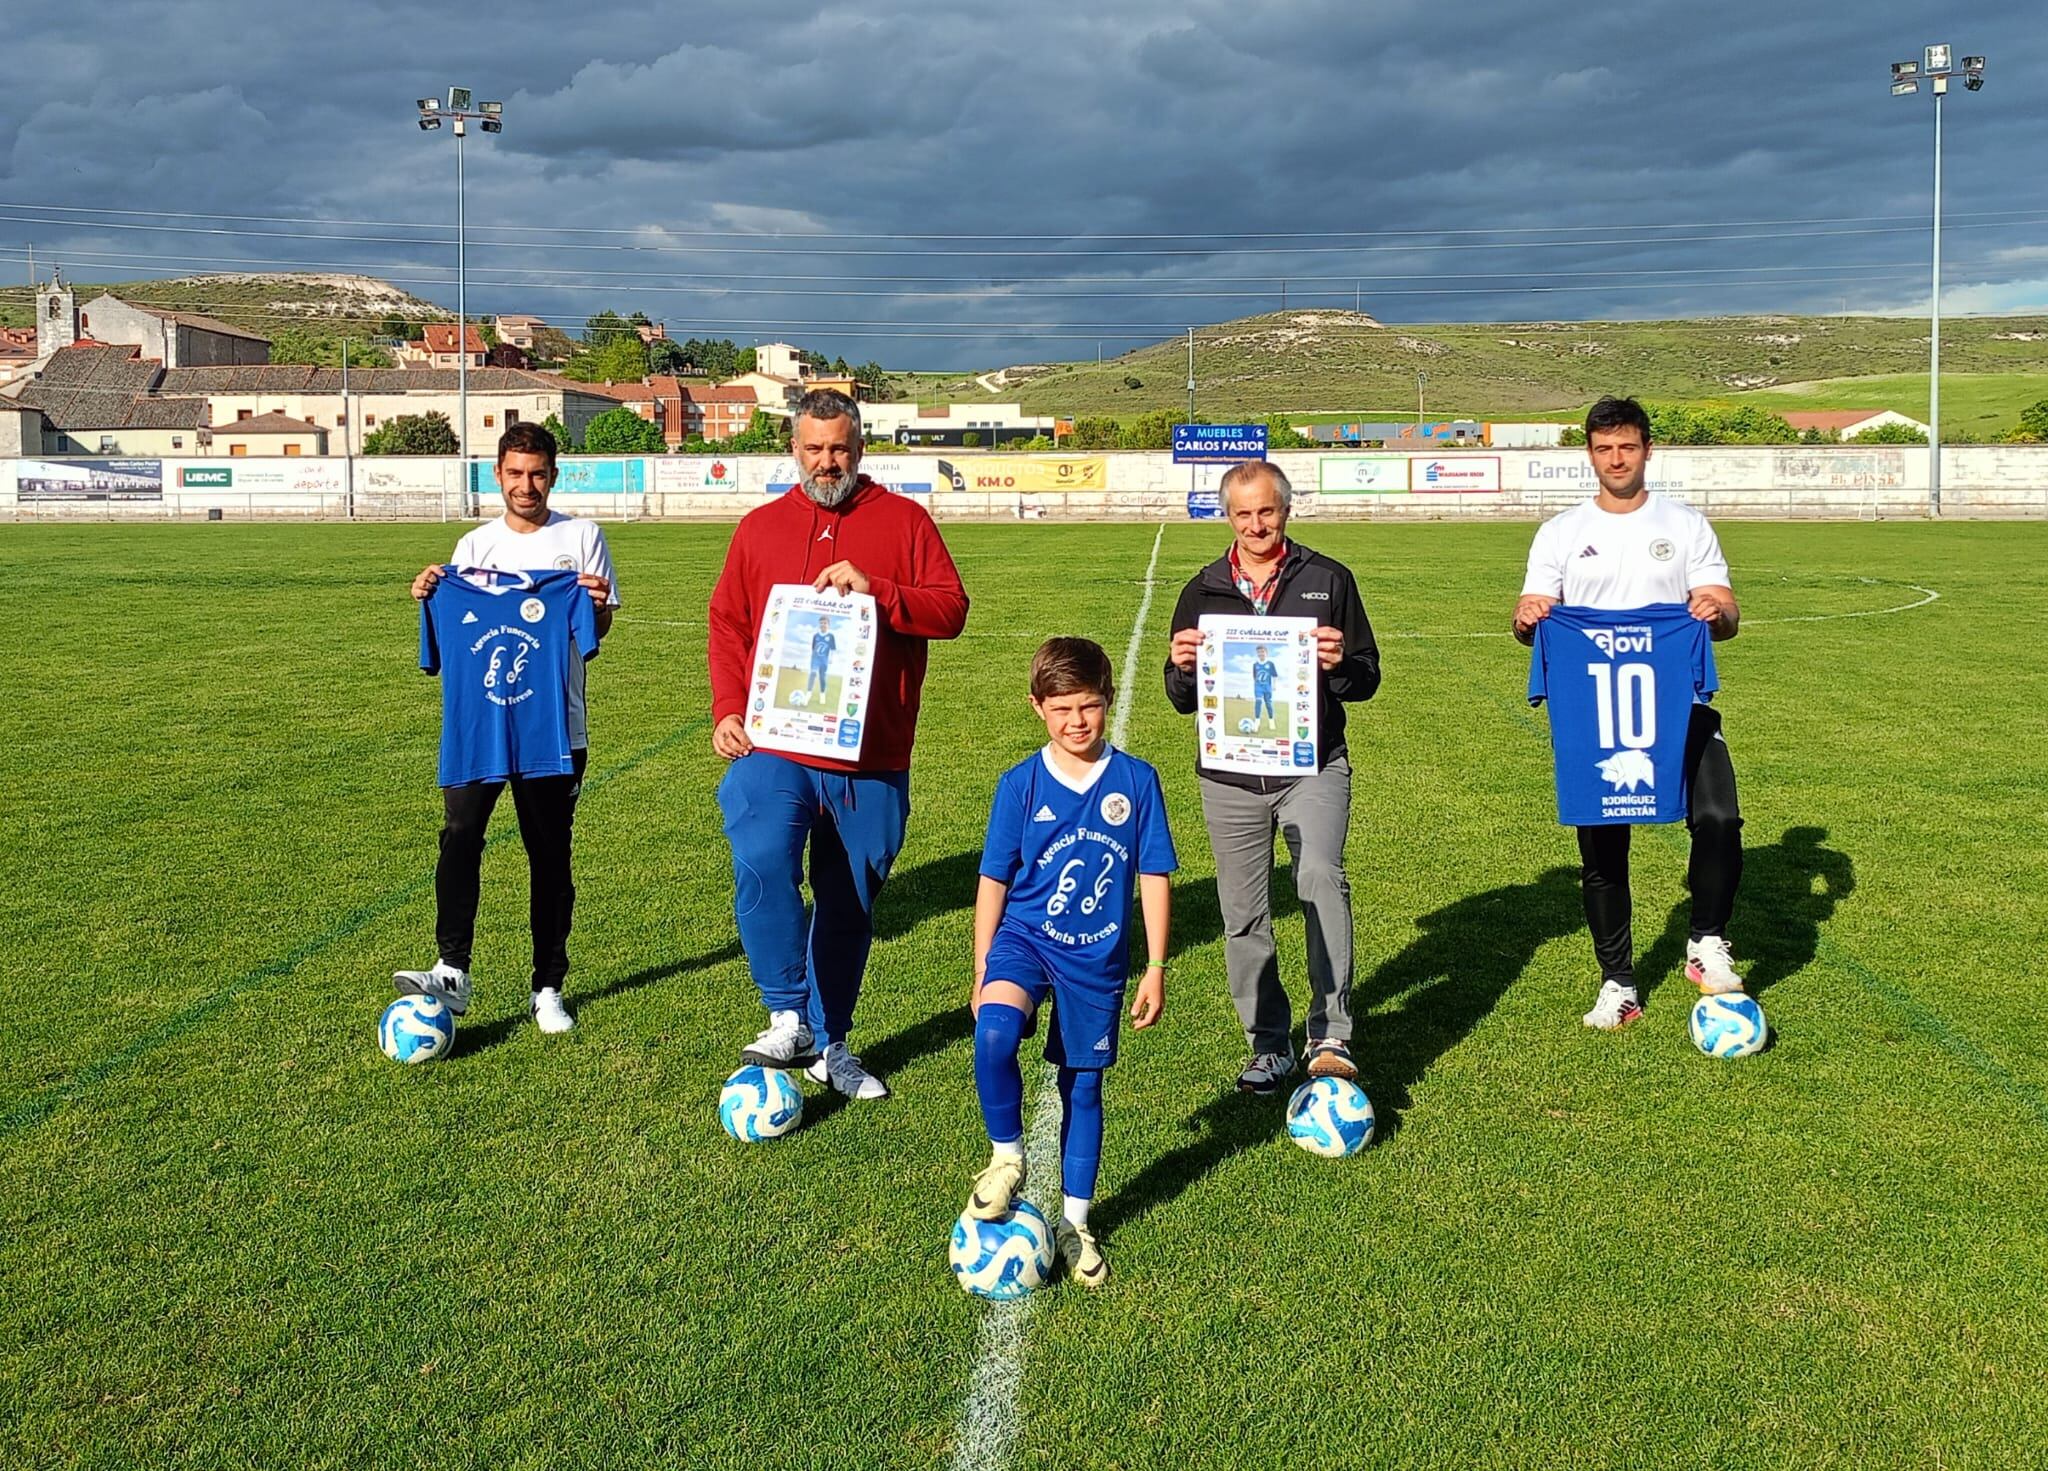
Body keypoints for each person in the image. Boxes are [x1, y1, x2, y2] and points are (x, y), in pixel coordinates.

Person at [709, 389, 969, 1099]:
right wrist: (728, 708)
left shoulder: (905, 521)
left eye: (839, 449)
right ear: (794, 449)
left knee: (850, 897)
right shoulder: (759, 528)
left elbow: (951, 610)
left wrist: (879, 590)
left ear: (859, 448)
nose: (827, 462)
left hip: (871, 754)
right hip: (774, 744)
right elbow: (728, 623)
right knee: (762, 854)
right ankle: (787, 1013)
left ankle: (832, 1043)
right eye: (814, 448)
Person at [1513, 395, 1745, 1030]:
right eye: (1604, 449)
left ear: (1647, 449)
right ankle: (1618, 981)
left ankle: (1705, 941)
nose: (1616, 459)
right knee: (1602, 850)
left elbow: (1725, 610)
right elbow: (1530, 612)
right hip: (1595, 712)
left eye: (1627, 447)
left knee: (1720, 817)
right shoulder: (1561, 532)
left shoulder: (1686, 524)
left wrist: (1714, 612)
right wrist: (1528, 618)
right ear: (1589, 455)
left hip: (1678, 705)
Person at [1163, 462, 1381, 1093]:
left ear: (1286, 509)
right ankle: (1267, 1043)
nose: (1256, 525)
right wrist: (1181, 668)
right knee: (1242, 913)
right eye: (1243, 514)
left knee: (1319, 877)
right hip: (1229, 778)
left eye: (1267, 511)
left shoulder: (1328, 578)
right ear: (1227, 516)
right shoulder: (1202, 589)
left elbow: (1367, 677)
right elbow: (1181, 698)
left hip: (1311, 766)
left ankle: (1330, 1032)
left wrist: (1340, 666)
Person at [395, 421, 618, 1034]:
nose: (526, 485)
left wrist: (596, 606)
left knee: (548, 855)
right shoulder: (473, 547)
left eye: (537, 474)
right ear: (497, 475)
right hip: (480, 729)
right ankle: (452, 969)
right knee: (460, 834)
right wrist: (430, 594)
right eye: (515, 473)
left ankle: (548, 987)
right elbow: (449, 642)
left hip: (555, 729)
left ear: (554, 475)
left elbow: (595, 634)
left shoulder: (582, 537)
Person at [968, 638, 1175, 1286]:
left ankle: (1074, 1222)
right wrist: (981, 969)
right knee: (994, 1031)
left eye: (1088, 706)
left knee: (1081, 1086)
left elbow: (1154, 874)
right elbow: (993, 880)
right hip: (1026, 936)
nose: (1076, 721)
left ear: (1108, 700)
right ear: (1037, 707)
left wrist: (1155, 966)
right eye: (1061, 709)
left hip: (1096, 958)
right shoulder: (1020, 784)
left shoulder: (1136, 781)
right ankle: (1007, 1159)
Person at [806, 614, 837, 697]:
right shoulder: (815, 636)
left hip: (824, 660)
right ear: (819, 624)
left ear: (828, 625)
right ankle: (808, 693)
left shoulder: (831, 636)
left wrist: (831, 658)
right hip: (815, 659)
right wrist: (813, 657)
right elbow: (813, 648)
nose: (823, 625)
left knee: (822, 677)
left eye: (825, 623)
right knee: (813, 673)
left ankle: (822, 694)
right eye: (821, 623)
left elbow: (833, 649)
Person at [1250, 643, 1279, 731]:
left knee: (1268, 704)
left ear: (1266, 653)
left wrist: (1274, 685)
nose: (1261, 654)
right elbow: (1254, 676)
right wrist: (1257, 685)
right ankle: (1257, 722)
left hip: (1267, 687)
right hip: (1258, 687)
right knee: (1258, 701)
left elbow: (1275, 675)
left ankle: (1271, 721)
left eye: (1262, 652)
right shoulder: (1255, 665)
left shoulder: (1270, 664)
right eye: (1259, 652)